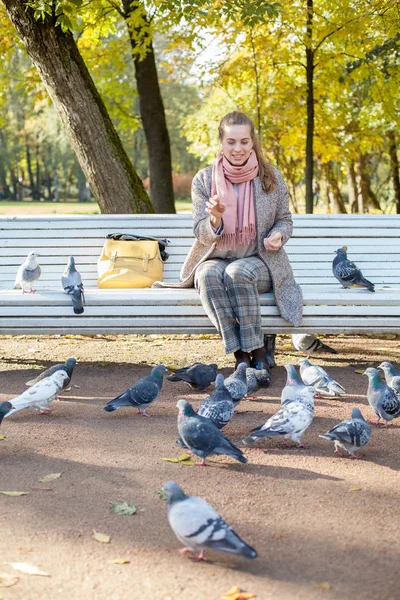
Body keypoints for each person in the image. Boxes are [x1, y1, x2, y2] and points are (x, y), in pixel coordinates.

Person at [154, 111, 303, 371]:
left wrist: (278, 235)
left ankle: (257, 351)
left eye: (244, 142)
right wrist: (215, 220)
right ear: (221, 142)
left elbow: (285, 220)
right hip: (214, 258)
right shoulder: (203, 180)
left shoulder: (270, 177)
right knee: (208, 276)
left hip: (260, 261)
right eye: (231, 142)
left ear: (252, 142)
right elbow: (200, 233)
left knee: (237, 271)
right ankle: (242, 356)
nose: (238, 148)